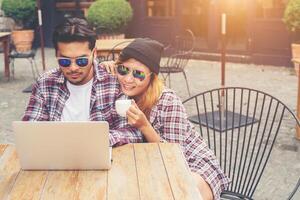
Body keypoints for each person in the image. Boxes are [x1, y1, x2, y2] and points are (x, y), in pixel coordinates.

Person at [101, 38, 230, 200]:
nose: (128, 79)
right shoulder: (119, 89)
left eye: (138, 74)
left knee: (182, 194)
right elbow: (81, 65)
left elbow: (177, 157)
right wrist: (101, 65)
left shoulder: (168, 100)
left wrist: (145, 126)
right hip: (151, 167)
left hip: (192, 164)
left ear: (152, 77)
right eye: (123, 70)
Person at [22, 17, 144, 147]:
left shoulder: (114, 82)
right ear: (56, 55)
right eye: (65, 61)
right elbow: (30, 130)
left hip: (101, 155)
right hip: (57, 156)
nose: (73, 68)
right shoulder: (45, 83)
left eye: (81, 61)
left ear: (94, 53)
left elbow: (133, 132)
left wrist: (97, 141)